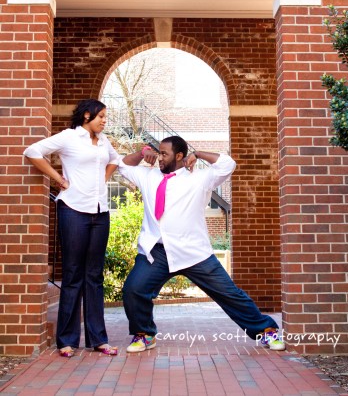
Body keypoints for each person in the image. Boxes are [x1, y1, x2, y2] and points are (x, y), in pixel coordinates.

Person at [118, 136, 285, 353]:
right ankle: (145, 334)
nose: (160, 158)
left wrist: (198, 154)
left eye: (164, 154)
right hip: (156, 252)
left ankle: (265, 331)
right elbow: (122, 165)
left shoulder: (199, 179)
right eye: (159, 153)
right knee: (134, 289)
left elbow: (228, 164)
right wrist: (142, 153)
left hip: (194, 252)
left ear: (179, 156)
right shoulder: (148, 176)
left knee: (229, 294)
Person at [23, 99, 156, 358]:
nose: (105, 121)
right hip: (73, 209)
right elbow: (32, 151)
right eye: (101, 117)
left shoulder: (104, 141)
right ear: (87, 115)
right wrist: (58, 178)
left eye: (106, 117)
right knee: (73, 275)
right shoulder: (69, 137)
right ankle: (66, 340)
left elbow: (117, 161)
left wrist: (107, 176)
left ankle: (98, 339)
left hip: (99, 213)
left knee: (94, 277)